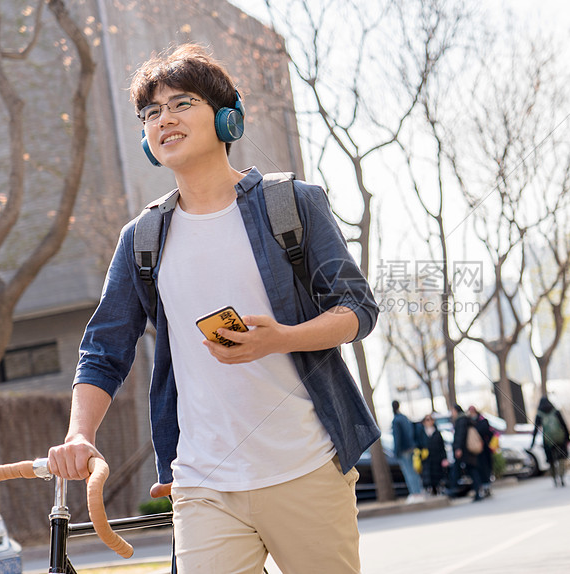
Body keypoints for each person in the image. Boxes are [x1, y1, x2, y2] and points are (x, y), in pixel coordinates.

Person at [47, 44, 379, 574]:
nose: (165, 119)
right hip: (203, 482)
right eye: (151, 113)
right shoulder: (143, 238)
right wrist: (79, 434)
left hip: (305, 466)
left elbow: (358, 309)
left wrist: (281, 338)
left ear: (227, 119)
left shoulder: (291, 204)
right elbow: (103, 349)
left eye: (182, 103)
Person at [530, 397, 570, 487]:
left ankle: (554, 478)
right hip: (560, 439)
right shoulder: (556, 412)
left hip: (548, 441)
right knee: (561, 458)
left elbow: (535, 430)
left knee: (551, 460)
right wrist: (568, 438)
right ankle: (562, 476)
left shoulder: (539, 415)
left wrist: (532, 443)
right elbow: (564, 425)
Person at [449, 404, 484, 501]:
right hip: (468, 451)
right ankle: (477, 492)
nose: (452, 414)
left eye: (452, 411)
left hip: (465, 451)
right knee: (472, 471)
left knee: (470, 471)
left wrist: (458, 448)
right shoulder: (465, 419)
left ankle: (454, 489)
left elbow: (460, 435)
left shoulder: (461, 421)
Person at [391, 400, 424, 502]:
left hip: (403, 449)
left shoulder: (396, 420)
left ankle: (414, 494)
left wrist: (396, 452)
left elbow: (397, 438)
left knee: (408, 472)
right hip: (411, 447)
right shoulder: (404, 418)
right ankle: (418, 492)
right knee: (414, 471)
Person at [418, 413, 448, 495]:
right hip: (426, 458)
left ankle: (438, 489)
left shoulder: (437, 432)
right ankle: (431, 490)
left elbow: (442, 446)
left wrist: (444, 458)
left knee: (437, 475)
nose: (429, 422)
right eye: (427, 420)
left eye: (431, 419)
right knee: (428, 476)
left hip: (437, 458)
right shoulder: (421, 433)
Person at [467, 405, 493, 497]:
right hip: (476, 450)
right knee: (479, 469)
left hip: (484, 449)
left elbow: (489, 432)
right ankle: (483, 487)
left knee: (486, 468)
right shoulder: (469, 423)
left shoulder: (482, 421)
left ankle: (487, 487)